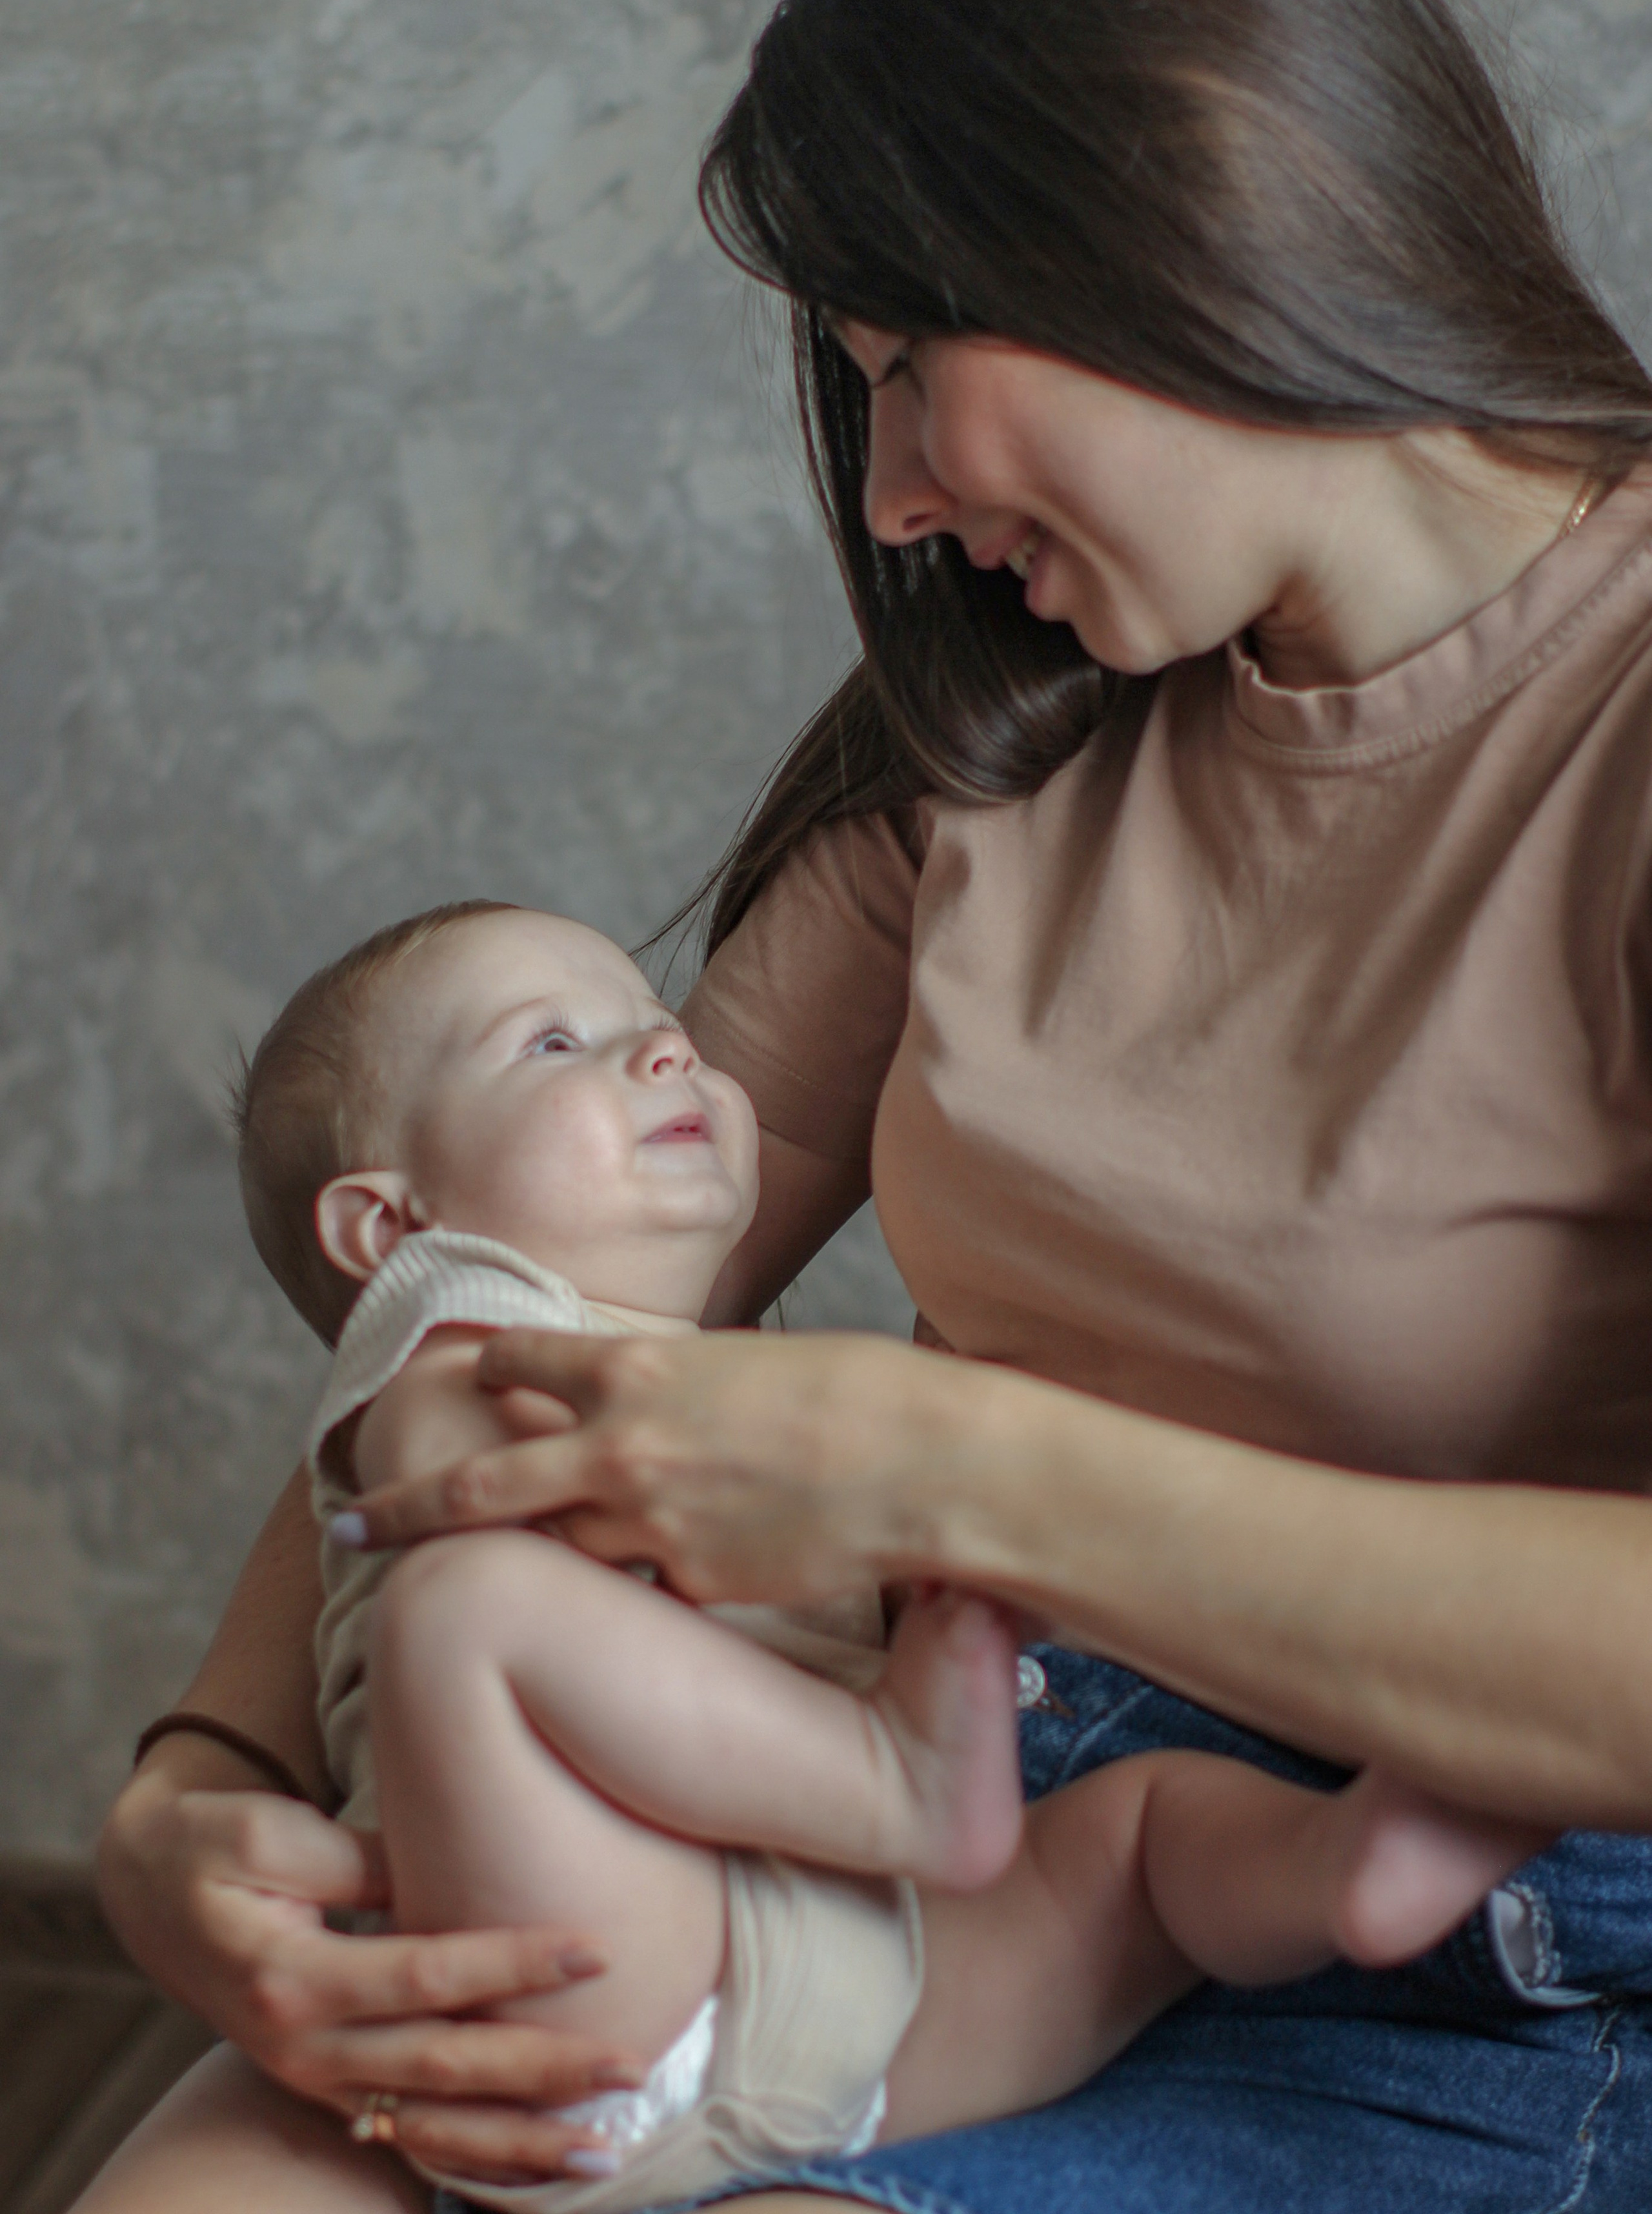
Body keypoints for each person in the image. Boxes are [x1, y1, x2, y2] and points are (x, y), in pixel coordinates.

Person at [86, 0, 1652, 2214]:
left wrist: (952, 1470)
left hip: (1473, 1936)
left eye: (912, 355)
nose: (896, 488)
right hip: (921, 1830)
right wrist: (202, 1795)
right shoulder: (1000, 737)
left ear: (1179, 188)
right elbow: (504, 1267)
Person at [227, 894, 1538, 2214]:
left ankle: (1343, 1872)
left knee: (1137, 1842)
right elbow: (462, 1485)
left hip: (874, 2003)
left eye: (658, 1020)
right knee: (467, 1600)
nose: (666, 1052)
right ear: (388, 1227)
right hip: (581, 1999)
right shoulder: (447, 1337)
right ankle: (896, 1772)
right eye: (553, 1044)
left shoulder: (713, 1387)